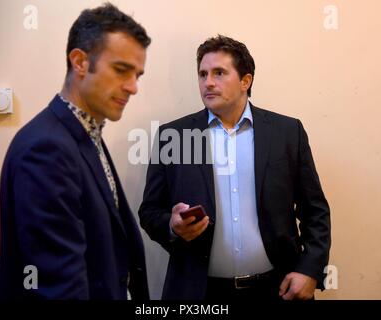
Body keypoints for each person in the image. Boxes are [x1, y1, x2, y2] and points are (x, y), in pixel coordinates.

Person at [139, 35, 331, 300]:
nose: (208, 82)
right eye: (202, 74)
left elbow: (315, 211)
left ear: (245, 81)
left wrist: (309, 270)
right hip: (200, 292)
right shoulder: (174, 136)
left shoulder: (287, 132)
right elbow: (149, 212)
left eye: (219, 73)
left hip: (277, 289)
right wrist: (172, 226)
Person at [0, 3, 151, 300]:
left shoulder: (83, 133)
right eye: (121, 70)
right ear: (80, 62)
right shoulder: (46, 149)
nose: (133, 87)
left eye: (138, 75)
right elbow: (59, 288)